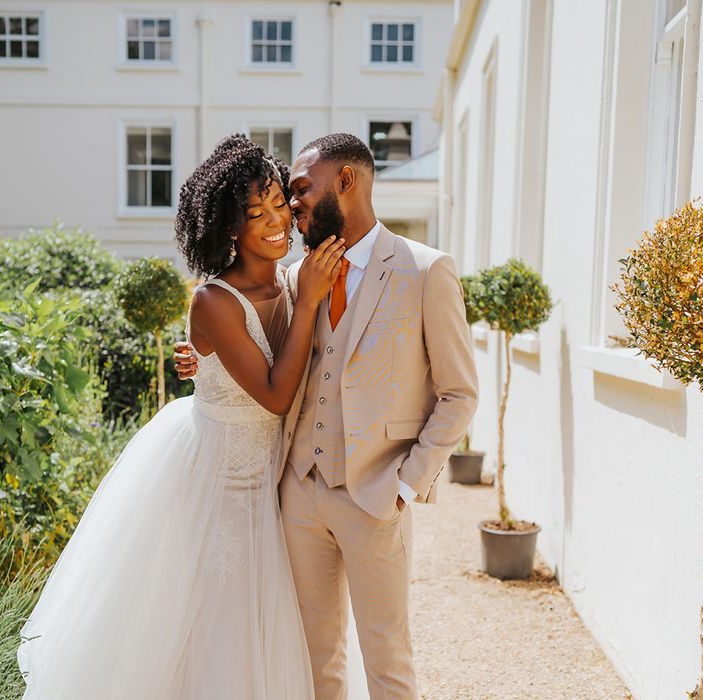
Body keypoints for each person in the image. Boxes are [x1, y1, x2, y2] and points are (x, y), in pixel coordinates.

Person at [17, 134, 345, 699]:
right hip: (218, 486)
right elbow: (274, 395)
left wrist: (306, 296)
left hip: (278, 481)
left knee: (288, 626)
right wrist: (311, 300)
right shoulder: (214, 301)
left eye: (278, 206)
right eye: (254, 212)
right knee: (214, 631)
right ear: (227, 227)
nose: (275, 222)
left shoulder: (294, 281)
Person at [175, 132, 479, 699]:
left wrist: (407, 486)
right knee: (316, 658)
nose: (291, 208)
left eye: (299, 191)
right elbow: (254, 341)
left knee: (387, 660)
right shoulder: (296, 278)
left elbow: (459, 394)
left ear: (346, 181)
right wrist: (199, 356)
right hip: (299, 494)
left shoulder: (425, 271)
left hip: (377, 496)